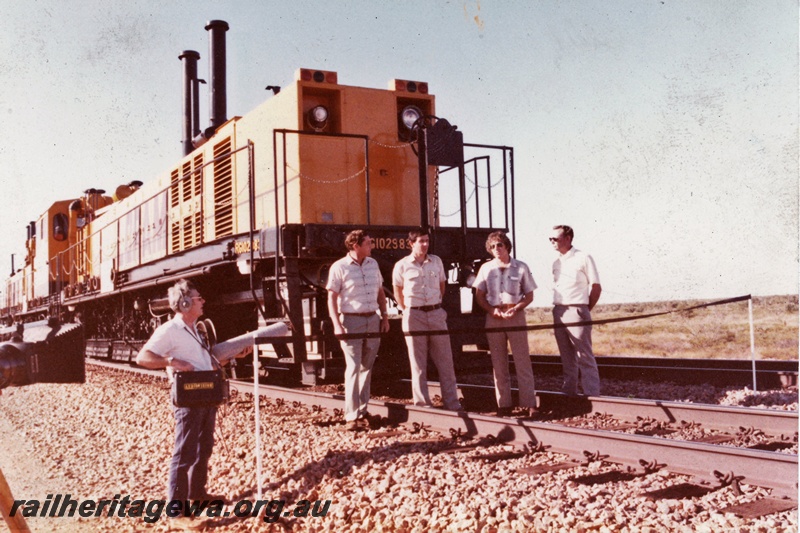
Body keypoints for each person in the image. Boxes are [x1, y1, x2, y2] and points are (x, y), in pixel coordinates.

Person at [135, 279, 247, 522]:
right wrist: (171, 362)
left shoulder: (196, 329)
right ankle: (176, 511)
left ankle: (197, 494)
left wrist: (235, 354)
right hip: (188, 399)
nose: (203, 301)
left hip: (206, 393)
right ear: (184, 303)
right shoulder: (169, 330)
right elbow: (142, 357)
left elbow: (207, 362)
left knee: (203, 447)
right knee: (184, 451)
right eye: (199, 298)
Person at [392, 227, 462, 411]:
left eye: (427, 241)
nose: (425, 245)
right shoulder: (402, 265)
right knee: (418, 362)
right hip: (414, 316)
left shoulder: (436, 262)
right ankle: (423, 404)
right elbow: (397, 291)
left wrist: (434, 306)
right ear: (411, 243)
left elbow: (442, 286)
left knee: (446, 361)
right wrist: (407, 309)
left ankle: (452, 402)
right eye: (421, 241)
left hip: (436, 314)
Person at [326, 230, 390, 430]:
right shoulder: (339, 267)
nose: (371, 246)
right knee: (353, 367)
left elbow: (380, 292)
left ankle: (362, 411)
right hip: (351, 322)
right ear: (356, 246)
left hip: (372, 319)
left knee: (366, 368)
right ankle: (351, 416)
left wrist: (384, 316)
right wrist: (337, 324)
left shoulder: (374, 265)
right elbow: (332, 298)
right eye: (368, 243)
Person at [473, 231, 538, 416]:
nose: (496, 249)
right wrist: (491, 310)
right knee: (498, 363)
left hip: (515, 315)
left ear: (507, 246)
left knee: (522, 360)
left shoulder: (521, 267)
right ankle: (504, 404)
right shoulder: (486, 269)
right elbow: (479, 296)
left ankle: (529, 403)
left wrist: (516, 308)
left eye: (499, 245)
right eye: (492, 247)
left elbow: (530, 295)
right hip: (494, 317)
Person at [550, 225, 602, 396]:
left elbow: (596, 287)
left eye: (555, 238)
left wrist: (584, 310)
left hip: (577, 310)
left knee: (584, 356)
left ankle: (592, 394)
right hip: (559, 311)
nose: (552, 242)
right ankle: (569, 393)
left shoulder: (583, 257)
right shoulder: (556, 262)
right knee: (566, 357)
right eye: (550, 239)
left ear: (568, 238)